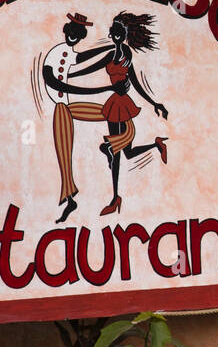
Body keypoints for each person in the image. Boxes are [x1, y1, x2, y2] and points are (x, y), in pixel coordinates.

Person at [64, 11, 169, 216]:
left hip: (122, 104)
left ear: (123, 33)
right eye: (113, 30)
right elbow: (93, 67)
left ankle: (114, 196)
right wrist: (69, 73)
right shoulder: (113, 53)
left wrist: (154, 103)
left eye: (117, 31)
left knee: (119, 151)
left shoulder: (126, 55)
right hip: (114, 103)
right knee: (125, 152)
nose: (113, 33)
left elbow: (135, 82)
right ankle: (156, 145)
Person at [42, 12, 119, 223]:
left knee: (112, 112)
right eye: (72, 32)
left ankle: (114, 145)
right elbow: (55, 83)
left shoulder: (68, 51)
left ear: (81, 35)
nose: (74, 36)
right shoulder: (55, 53)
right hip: (62, 108)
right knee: (64, 153)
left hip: (68, 106)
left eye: (78, 33)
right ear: (67, 31)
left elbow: (82, 58)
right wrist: (101, 88)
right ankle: (69, 198)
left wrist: (109, 48)